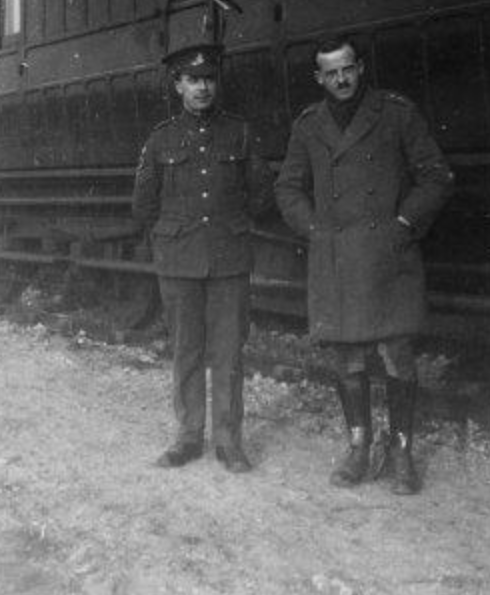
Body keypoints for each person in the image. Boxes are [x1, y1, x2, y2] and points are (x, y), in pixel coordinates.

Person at [275, 35, 453, 494]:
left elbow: (436, 176)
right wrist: (313, 229)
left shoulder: (395, 112)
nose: (341, 79)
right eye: (330, 72)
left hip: (389, 252)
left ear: (360, 67)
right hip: (336, 255)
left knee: (397, 356)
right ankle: (359, 447)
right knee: (347, 355)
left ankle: (401, 452)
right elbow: (287, 188)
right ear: (319, 78)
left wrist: (403, 222)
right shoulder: (308, 125)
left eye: (347, 68)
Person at [131, 43, 273, 473]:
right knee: (186, 351)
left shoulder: (241, 133)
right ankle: (188, 437)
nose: (203, 87)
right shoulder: (160, 140)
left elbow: (262, 195)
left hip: (228, 258)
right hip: (179, 261)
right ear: (178, 86)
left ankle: (229, 441)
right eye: (193, 80)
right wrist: (172, 236)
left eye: (209, 79)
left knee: (228, 352)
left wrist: (231, 223)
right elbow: (144, 206)